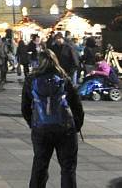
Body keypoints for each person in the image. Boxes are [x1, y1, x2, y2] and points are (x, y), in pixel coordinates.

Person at [22, 49, 83, 188]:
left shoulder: (31, 80)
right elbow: (76, 104)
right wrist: (77, 125)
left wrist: (33, 123)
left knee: (40, 165)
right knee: (68, 168)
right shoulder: (64, 78)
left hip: (41, 128)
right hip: (65, 128)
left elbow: (25, 107)